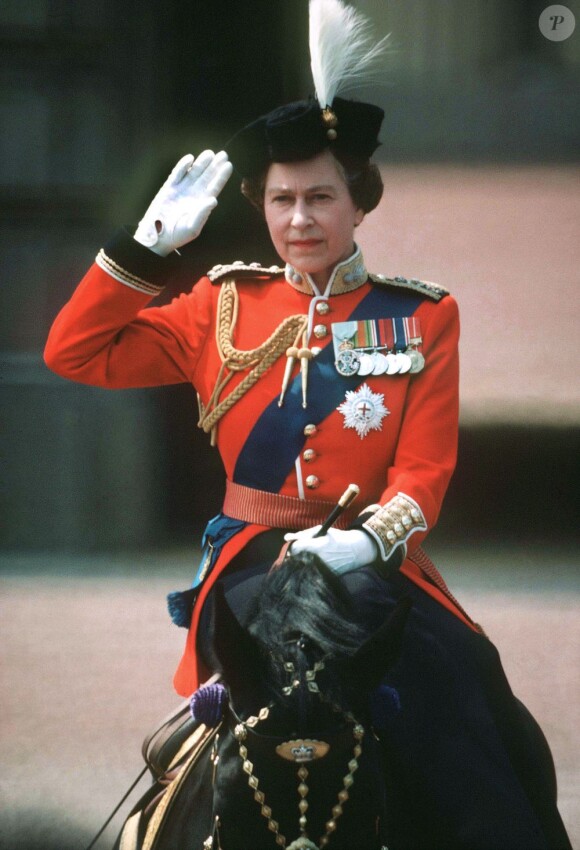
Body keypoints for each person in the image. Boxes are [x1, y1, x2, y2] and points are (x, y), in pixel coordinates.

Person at [44, 1, 571, 847]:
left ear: (358, 204)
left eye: (321, 196)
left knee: (475, 696)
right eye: (283, 199)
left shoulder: (422, 317)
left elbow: (425, 472)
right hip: (252, 563)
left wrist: (366, 543)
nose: (300, 220)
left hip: (378, 563)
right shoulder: (218, 305)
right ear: (261, 206)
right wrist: (143, 251)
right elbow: (74, 353)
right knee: (231, 717)